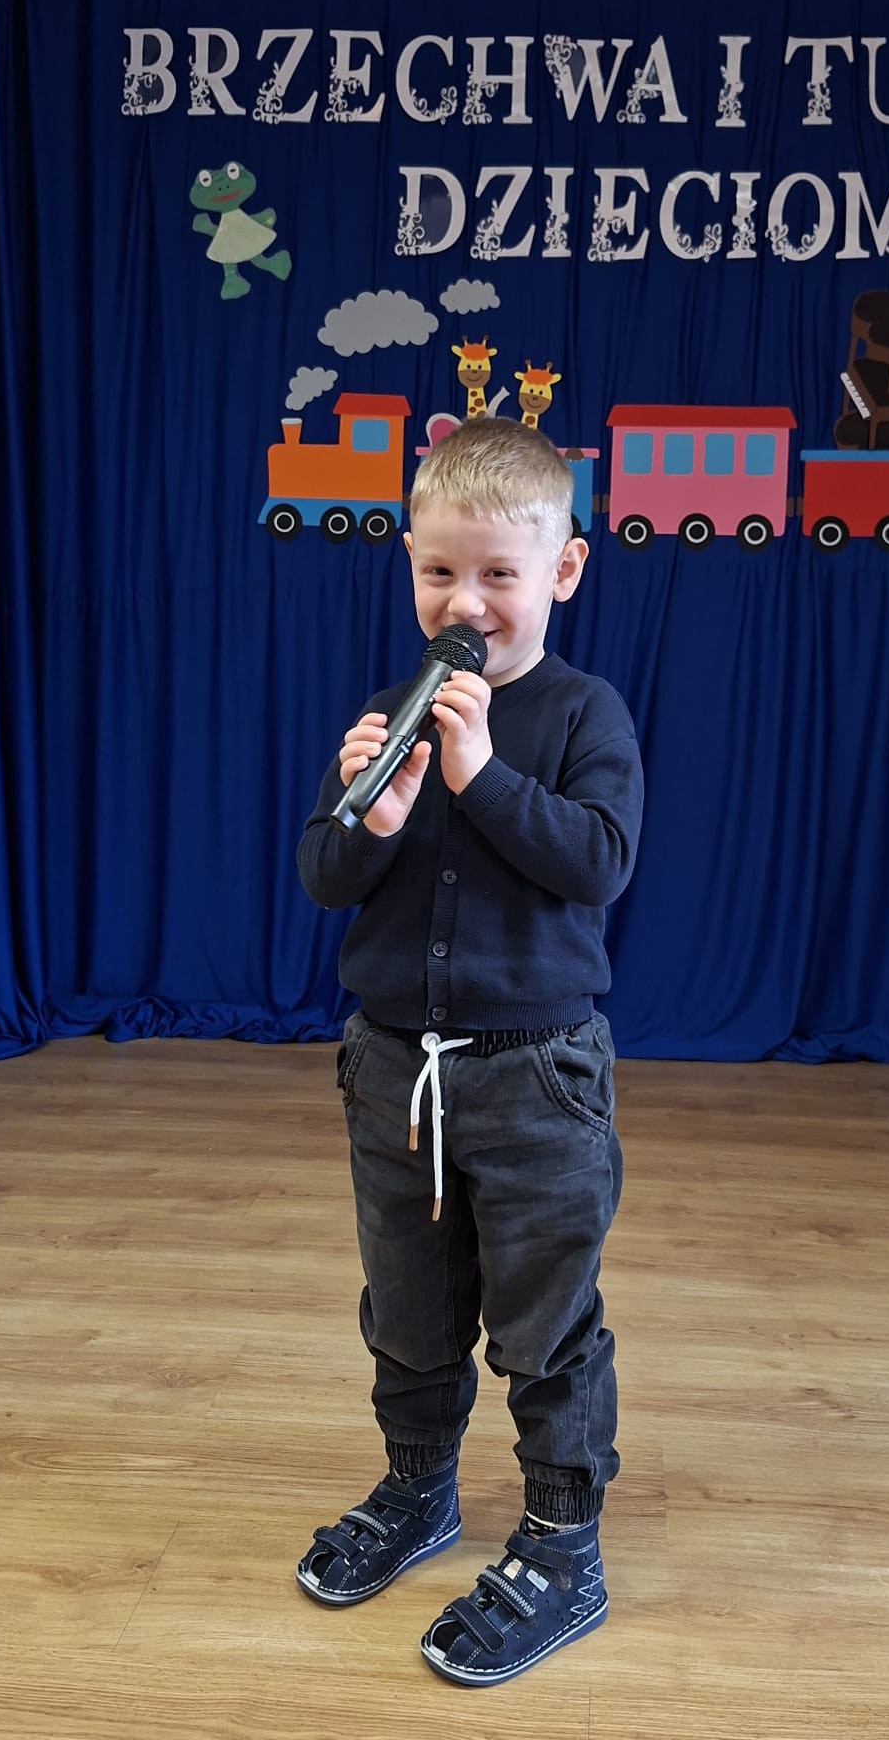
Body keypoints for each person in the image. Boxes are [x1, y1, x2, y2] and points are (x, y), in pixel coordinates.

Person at [295, 416, 644, 1686]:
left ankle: (563, 1537)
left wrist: (481, 771)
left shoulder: (582, 712)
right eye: (442, 571)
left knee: (544, 1321)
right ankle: (418, 1485)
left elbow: (598, 860)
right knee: (408, 1305)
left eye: (500, 572)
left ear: (564, 569)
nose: (468, 601)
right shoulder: (386, 712)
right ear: (409, 564)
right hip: (393, 1069)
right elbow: (327, 873)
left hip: (537, 1075)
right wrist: (376, 815)